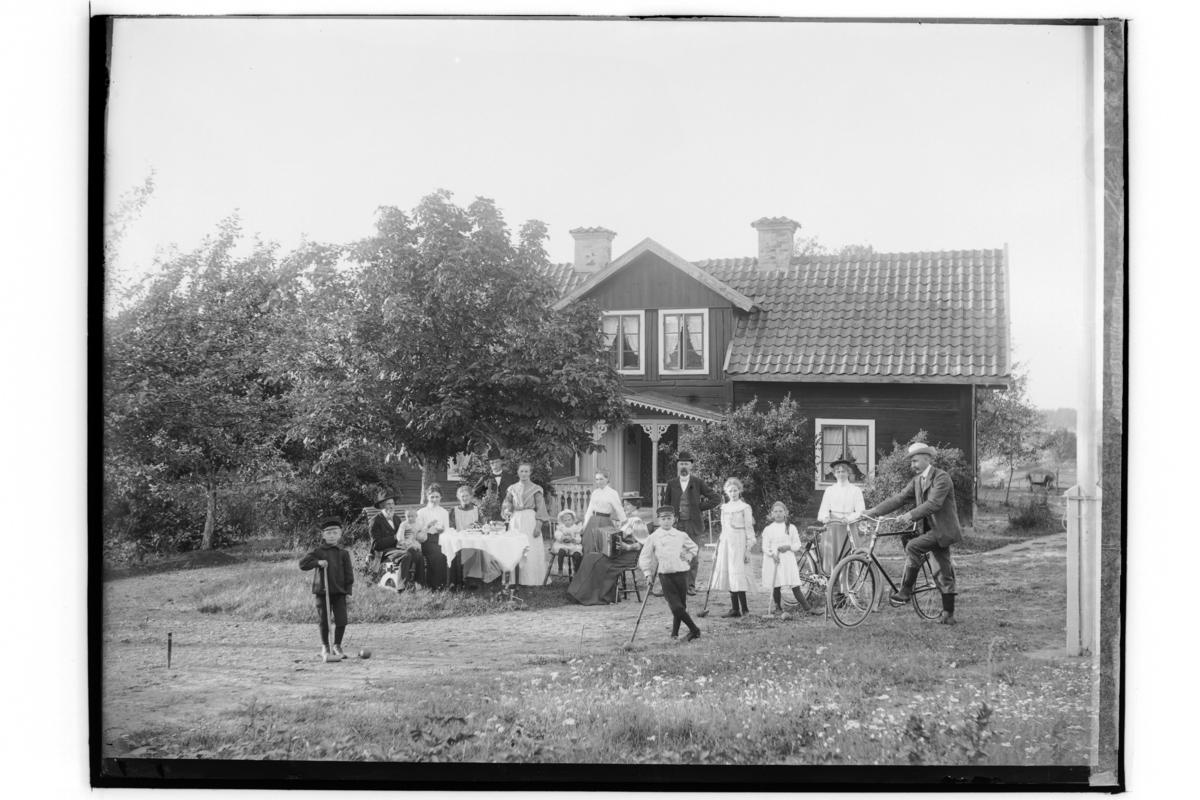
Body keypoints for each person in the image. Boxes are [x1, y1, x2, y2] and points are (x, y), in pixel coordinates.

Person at [848, 442, 962, 625]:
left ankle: (906, 590)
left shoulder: (942, 477)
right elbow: (899, 499)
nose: (912, 465)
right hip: (928, 530)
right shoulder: (917, 481)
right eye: (911, 462)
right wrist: (873, 512)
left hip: (943, 530)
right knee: (942, 571)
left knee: (913, 546)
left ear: (927, 458)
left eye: (915, 461)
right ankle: (948, 614)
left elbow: (934, 503)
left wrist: (910, 515)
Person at [662, 451, 722, 595]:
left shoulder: (698, 482)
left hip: (693, 524)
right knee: (674, 553)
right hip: (676, 525)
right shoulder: (671, 484)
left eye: (686, 464)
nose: (684, 466)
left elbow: (715, 498)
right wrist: (669, 520)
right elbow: (666, 504)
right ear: (678, 466)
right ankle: (674, 585)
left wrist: (698, 507)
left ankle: (690, 585)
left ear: (691, 466)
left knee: (692, 555)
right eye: (681, 464)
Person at [638, 507, 702, 642]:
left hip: (682, 574)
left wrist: (688, 556)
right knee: (675, 606)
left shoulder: (681, 535)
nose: (666, 521)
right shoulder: (653, 537)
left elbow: (694, 547)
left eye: (669, 518)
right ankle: (695, 630)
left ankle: (674, 634)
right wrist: (647, 574)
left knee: (681, 606)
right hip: (665, 575)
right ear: (658, 520)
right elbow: (644, 557)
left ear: (674, 519)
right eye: (663, 519)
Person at [299, 517, 355, 660]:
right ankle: (325, 646)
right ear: (323, 535)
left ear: (340, 534)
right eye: (328, 533)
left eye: (335, 533)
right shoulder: (318, 551)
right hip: (323, 593)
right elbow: (303, 564)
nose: (332, 536)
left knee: (342, 620)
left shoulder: (343, 553)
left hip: (340, 592)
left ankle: (337, 645)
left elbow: (349, 574)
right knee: (324, 620)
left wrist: (348, 592)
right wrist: (317, 562)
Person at [567, 516, 649, 605]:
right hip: (617, 557)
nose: (628, 528)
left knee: (592, 560)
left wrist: (624, 545)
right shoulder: (630, 534)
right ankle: (579, 593)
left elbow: (630, 546)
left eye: (630, 527)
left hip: (622, 560)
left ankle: (585, 595)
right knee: (589, 557)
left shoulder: (639, 540)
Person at [760, 501, 820, 617]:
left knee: (794, 584)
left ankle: (807, 608)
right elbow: (765, 547)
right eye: (775, 511)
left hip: (788, 559)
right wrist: (772, 554)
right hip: (775, 560)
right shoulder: (768, 529)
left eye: (780, 511)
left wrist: (788, 547)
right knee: (776, 584)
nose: (778, 513)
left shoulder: (791, 528)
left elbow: (797, 544)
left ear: (785, 513)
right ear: (772, 514)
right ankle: (778, 607)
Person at [711, 477, 756, 618]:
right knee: (730, 573)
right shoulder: (724, 508)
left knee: (738, 573)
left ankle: (745, 610)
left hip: (739, 542)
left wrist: (748, 549)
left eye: (735, 490)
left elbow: (749, 529)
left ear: (739, 491)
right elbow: (723, 529)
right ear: (726, 492)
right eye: (730, 491)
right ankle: (735, 609)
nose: (733, 493)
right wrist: (717, 549)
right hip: (726, 542)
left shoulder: (745, 507)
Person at [504, 462, 550, 586]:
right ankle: (515, 579)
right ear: (518, 472)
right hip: (515, 519)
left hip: (530, 518)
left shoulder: (536, 488)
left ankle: (533, 579)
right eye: (521, 471)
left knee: (531, 548)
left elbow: (541, 508)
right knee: (515, 547)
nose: (524, 474)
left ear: (530, 473)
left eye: (526, 471)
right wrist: (507, 509)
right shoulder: (512, 488)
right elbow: (507, 504)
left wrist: (538, 526)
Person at [817, 456, 867, 570]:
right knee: (832, 555)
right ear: (834, 474)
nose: (841, 474)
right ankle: (831, 578)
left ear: (848, 472)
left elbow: (860, 511)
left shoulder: (855, 490)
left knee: (850, 554)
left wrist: (849, 519)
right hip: (832, 526)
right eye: (838, 471)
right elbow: (823, 510)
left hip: (849, 525)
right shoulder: (830, 490)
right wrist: (825, 517)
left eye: (843, 471)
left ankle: (849, 579)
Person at [579, 469, 626, 556]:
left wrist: (625, 525)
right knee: (588, 544)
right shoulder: (595, 492)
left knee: (603, 546)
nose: (598, 482)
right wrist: (585, 524)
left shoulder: (612, 493)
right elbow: (589, 510)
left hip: (604, 522)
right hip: (592, 521)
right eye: (597, 479)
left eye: (601, 479)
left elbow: (619, 510)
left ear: (607, 479)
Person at [416, 484, 451, 589]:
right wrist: (428, 526)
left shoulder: (444, 512)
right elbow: (417, 531)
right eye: (432, 497)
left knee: (446, 552)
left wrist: (442, 530)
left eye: (437, 497)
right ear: (427, 497)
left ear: (441, 497)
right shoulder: (421, 512)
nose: (434, 500)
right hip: (426, 539)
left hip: (440, 538)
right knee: (437, 553)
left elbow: (446, 529)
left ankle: (444, 583)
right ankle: (436, 585)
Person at [473, 446, 518, 521]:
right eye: (492, 463)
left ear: (501, 462)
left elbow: (520, 493)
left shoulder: (511, 478)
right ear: (489, 464)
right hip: (491, 516)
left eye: (497, 462)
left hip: (509, 515)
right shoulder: (486, 479)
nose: (495, 465)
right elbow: (473, 494)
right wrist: (481, 504)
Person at [551, 509, 584, 575]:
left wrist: (573, 539)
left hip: (573, 545)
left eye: (569, 520)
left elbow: (579, 538)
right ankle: (560, 569)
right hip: (563, 545)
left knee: (577, 555)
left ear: (573, 520)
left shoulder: (576, 528)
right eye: (565, 520)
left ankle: (576, 571)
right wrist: (562, 537)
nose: (567, 522)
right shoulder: (561, 528)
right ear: (562, 521)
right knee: (561, 551)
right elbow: (557, 534)